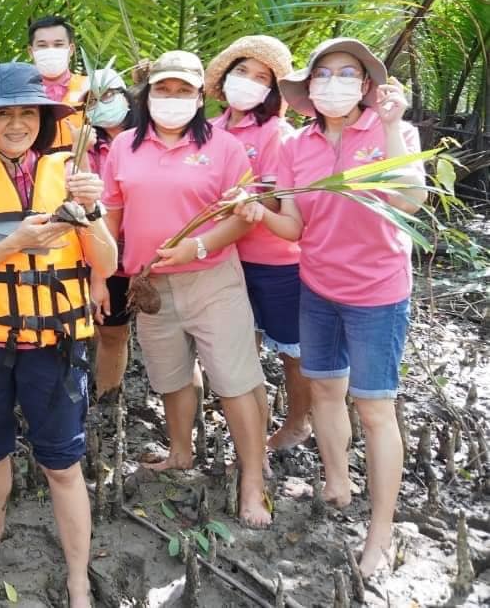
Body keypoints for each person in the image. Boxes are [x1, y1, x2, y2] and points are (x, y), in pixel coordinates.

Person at [0, 63, 118, 607]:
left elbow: (106, 263)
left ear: (43, 118)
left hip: (56, 344)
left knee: (61, 463)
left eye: (27, 113)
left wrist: (95, 212)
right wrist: (15, 241)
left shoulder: (72, 172)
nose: (16, 123)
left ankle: (78, 578)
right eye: (3, 113)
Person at [244, 37, 424, 576]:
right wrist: (255, 210)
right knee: (325, 389)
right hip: (317, 286)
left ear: (367, 85)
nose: (333, 83)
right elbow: (296, 227)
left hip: (378, 293)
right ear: (309, 87)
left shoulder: (395, 133)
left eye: (347, 73)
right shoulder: (298, 146)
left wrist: (391, 125)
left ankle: (381, 531)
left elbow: (409, 199)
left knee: (374, 409)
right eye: (322, 74)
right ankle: (337, 479)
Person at [99, 50, 270, 527]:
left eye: (183, 91)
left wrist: (196, 248)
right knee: (170, 374)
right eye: (163, 90)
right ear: (147, 95)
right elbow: (112, 215)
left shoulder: (225, 147)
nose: (172, 99)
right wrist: (101, 270)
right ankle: (180, 451)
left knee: (233, 381)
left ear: (199, 96)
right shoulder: (124, 146)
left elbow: (242, 217)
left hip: (211, 278)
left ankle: (252, 480)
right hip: (150, 283)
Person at [203, 35, 309, 450]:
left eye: (260, 77)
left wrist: (249, 199)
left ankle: (299, 421)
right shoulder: (209, 130)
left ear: (273, 89)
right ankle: (249, 431)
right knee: (240, 346)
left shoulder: (278, 133)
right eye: (241, 72)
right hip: (223, 255)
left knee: (291, 348)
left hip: (275, 259)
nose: (247, 81)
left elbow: (284, 197)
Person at [82, 67, 137, 398]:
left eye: (108, 96)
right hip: (100, 251)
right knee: (107, 329)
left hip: (145, 251)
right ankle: (102, 395)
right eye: (92, 99)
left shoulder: (149, 139)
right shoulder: (83, 147)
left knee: (119, 334)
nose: (101, 104)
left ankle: (109, 399)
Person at [28, 15, 88, 154]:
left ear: (71, 49)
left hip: (85, 168)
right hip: (38, 170)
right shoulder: (22, 95)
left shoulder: (90, 87)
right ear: (31, 52)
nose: (50, 50)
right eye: (42, 45)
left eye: (58, 44)